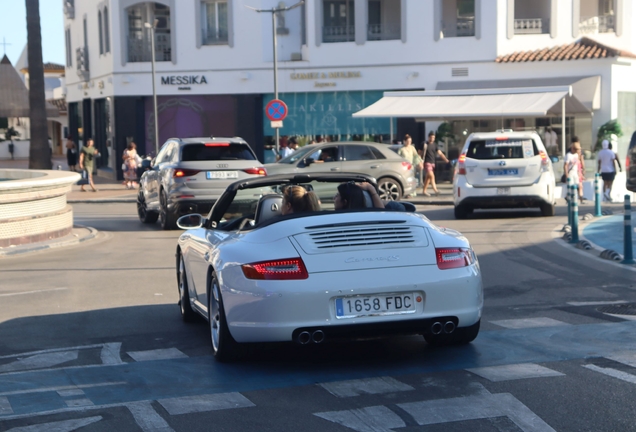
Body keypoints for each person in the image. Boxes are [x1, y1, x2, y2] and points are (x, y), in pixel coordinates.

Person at [422, 131, 449, 197]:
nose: (432, 138)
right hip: (426, 162)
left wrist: (445, 159)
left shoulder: (435, 145)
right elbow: (419, 153)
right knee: (432, 175)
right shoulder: (424, 144)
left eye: (433, 137)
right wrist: (420, 162)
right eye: (431, 137)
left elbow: (440, 153)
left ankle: (424, 191)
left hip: (433, 163)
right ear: (428, 137)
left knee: (428, 178)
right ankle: (435, 190)